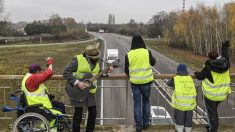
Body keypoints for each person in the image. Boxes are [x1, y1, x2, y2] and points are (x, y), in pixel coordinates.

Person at [63, 44, 112, 132]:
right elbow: (66, 72)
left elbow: (97, 73)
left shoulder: (96, 61)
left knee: (93, 113)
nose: (96, 58)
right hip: (78, 91)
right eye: (94, 57)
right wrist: (77, 83)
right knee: (78, 115)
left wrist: (106, 72)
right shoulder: (77, 60)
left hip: (90, 91)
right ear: (88, 55)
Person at [194, 40, 231, 132]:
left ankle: (213, 129)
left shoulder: (208, 67)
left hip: (211, 96)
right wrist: (225, 48)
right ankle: (213, 125)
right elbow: (226, 56)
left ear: (210, 58)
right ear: (218, 57)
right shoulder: (225, 64)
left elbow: (200, 76)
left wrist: (195, 73)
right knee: (214, 112)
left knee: (211, 114)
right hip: (222, 94)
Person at [21, 57, 65, 132]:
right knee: (59, 112)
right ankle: (50, 128)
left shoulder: (27, 77)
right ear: (37, 71)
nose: (40, 73)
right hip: (39, 106)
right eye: (39, 72)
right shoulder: (33, 79)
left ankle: (55, 126)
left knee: (61, 105)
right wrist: (50, 62)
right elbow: (49, 73)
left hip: (37, 103)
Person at [124, 35, 156, 132]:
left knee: (137, 104)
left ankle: (138, 126)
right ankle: (146, 123)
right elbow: (153, 63)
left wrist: (133, 74)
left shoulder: (128, 54)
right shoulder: (147, 52)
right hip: (146, 82)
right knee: (146, 102)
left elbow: (126, 70)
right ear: (142, 42)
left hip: (135, 83)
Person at [167, 64, 196, 132]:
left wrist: (174, 77)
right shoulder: (190, 78)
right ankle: (188, 129)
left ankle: (179, 129)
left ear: (178, 71)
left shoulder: (176, 79)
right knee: (188, 117)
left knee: (180, 117)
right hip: (190, 102)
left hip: (180, 103)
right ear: (186, 71)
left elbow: (168, 83)